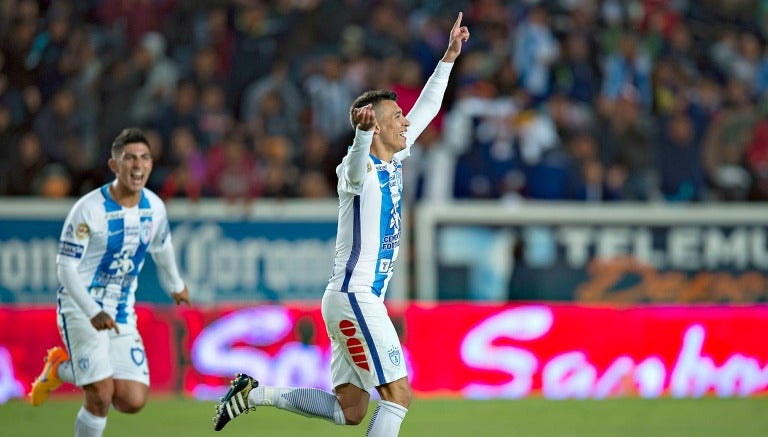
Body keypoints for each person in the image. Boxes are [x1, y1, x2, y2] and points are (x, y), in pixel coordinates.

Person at [212, 11, 470, 436]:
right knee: (399, 394)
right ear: (376, 127)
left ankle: (252, 395)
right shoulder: (359, 170)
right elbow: (353, 169)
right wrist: (362, 136)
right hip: (356, 297)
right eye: (396, 117)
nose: (406, 121)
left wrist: (448, 58)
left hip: (347, 298)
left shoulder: (395, 158)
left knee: (351, 411)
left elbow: (429, 106)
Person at [28, 127, 191, 437]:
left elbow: (162, 245)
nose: (137, 165)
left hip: (121, 312)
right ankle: (79, 372)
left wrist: (176, 285)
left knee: (132, 399)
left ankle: (61, 368)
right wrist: (92, 310)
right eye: (129, 158)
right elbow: (65, 268)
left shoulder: (154, 207)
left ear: (151, 165)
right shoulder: (89, 210)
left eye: (144, 157)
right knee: (100, 394)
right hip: (80, 307)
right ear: (114, 166)